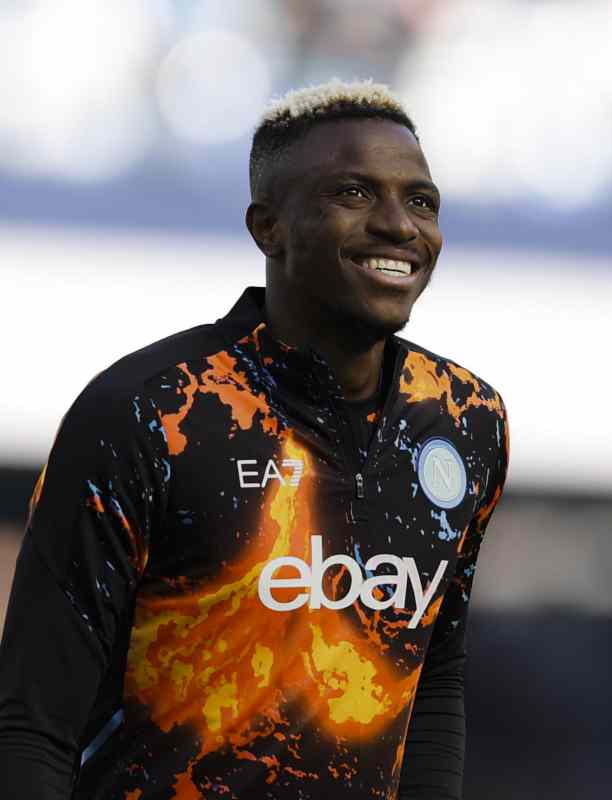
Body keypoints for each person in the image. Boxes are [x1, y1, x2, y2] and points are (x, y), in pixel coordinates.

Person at [0, 79, 508, 799]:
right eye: (354, 194)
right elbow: (32, 723)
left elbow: (434, 675)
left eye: (421, 201)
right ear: (268, 228)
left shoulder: (464, 417)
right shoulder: (152, 411)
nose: (400, 225)